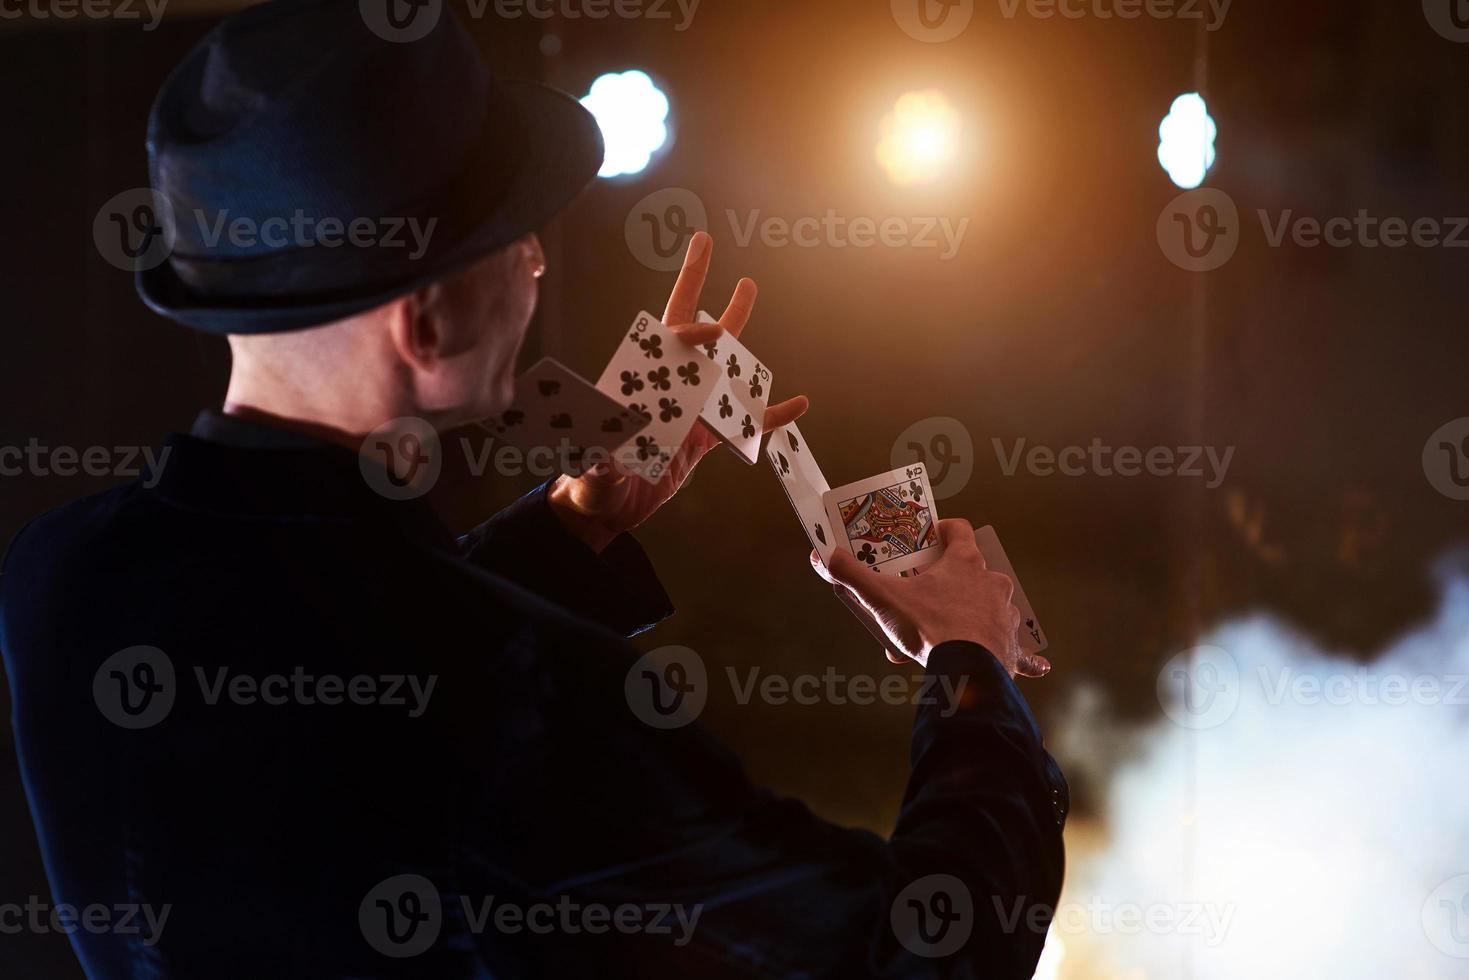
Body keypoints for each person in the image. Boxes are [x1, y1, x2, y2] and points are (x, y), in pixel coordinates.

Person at [0, 2, 1067, 976]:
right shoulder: (516, 689)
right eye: (514, 240)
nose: (541, 267)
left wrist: (573, 526)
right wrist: (972, 669)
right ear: (422, 324)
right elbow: (929, 950)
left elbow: (335, 660)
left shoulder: (54, 575)